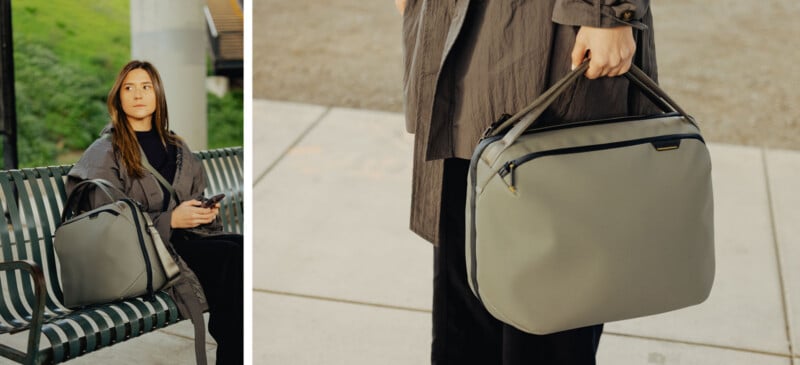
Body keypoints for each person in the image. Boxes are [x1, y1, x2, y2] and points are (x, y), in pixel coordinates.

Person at [397, 1, 658, 364]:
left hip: (551, 29)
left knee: (553, 286)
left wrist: (609, 12)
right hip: (457, 25)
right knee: (467, 265)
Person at [66, 60, 243, 365]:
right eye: (129, 87)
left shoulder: (176, 147)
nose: (138, 94)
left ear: (157, 94)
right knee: (232, 259)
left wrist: (201, 213)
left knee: (240, 246)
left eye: (146, 86)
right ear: (118, 98)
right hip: (138, 258)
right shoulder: (104, 152)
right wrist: (171, 220)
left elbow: (192, 195)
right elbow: (106, 225)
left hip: (178, 244)